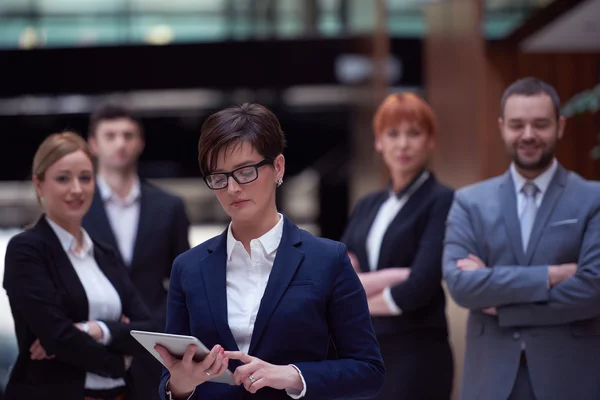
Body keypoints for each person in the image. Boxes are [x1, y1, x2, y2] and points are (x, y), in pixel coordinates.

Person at [154, 103, 385, 399]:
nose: (232, 188)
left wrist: (293, 375)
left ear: (278, 167)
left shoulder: (328, 260)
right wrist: (181, 385)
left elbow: (369, 371)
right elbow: (168, 384)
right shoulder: (188, 268)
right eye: (219, 177)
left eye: (245, 172)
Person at [443, 77, 600, 400]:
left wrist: (503, 306)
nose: (528, 135)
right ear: (502, 127)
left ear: (560, 126)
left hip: (571, 380)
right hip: (490, 381)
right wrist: (550, 275)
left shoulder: (593, 199)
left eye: (540, 124)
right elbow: (461, 285)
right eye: (517, 125)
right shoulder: (469, 202)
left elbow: (593, 289)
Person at [2, 132, 156, 400]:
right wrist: (121, 361)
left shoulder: (104, 253)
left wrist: (93, 329)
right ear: (39, 184)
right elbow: (58, 337)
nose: (77, 189)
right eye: (63, 178)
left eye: (85, 177)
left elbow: (147, 330)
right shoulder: (26, 250)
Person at [341, 92, 454, 399]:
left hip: (417, 353)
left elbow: (419, 287)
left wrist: (355, 304)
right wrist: (392, 278)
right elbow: (338, 276)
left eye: (414, 133)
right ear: (379, 142)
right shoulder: (368, 204)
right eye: (393, 134)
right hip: (366, 351)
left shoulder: (442, 200)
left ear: (430, 141)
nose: (403, 144)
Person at [83, 104, 190, 399]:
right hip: (94, 348)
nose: (120, 143)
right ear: (94, 144)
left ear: (140, 142)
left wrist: (166, 328)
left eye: (128, 135)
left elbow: (183, 281)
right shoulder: (76, 209)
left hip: (154, 345)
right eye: (111, 135)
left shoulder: (169, 207)